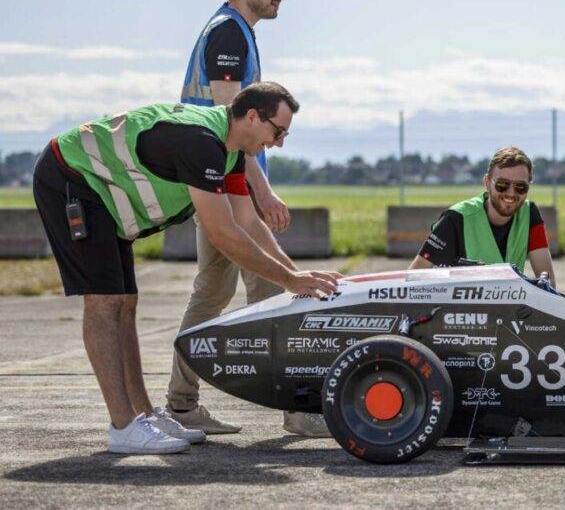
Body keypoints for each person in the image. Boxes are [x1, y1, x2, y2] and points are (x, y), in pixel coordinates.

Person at [31, 82, 342, 454]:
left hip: (104, 195)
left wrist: (297, 276)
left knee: (126, 301)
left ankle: (143, 414)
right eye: (278, 132)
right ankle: (123, 426)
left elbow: (247, 221)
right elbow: (224, 234)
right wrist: (290, 280)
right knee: (104, 302)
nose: (279, 143)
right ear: (253, 116)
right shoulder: (201, 143)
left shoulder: (229, 151)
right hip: (72, 179)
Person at [172, 0, 322, 436]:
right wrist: (263, 193)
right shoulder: (228, 37)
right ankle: (299, 410)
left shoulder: (237, 33)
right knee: (276, 287)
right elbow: (233, 128)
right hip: (222, 181)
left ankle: (180, 406)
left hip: (222, 178)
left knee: (215, 290)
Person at [409, 146, 556, 286]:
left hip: (508, 308)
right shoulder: (455, 219)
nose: (511, 193)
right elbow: (414, 277)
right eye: (502, 185)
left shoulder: (529, 214)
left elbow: (547, 283)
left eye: (520, 187)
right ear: (487, 183)